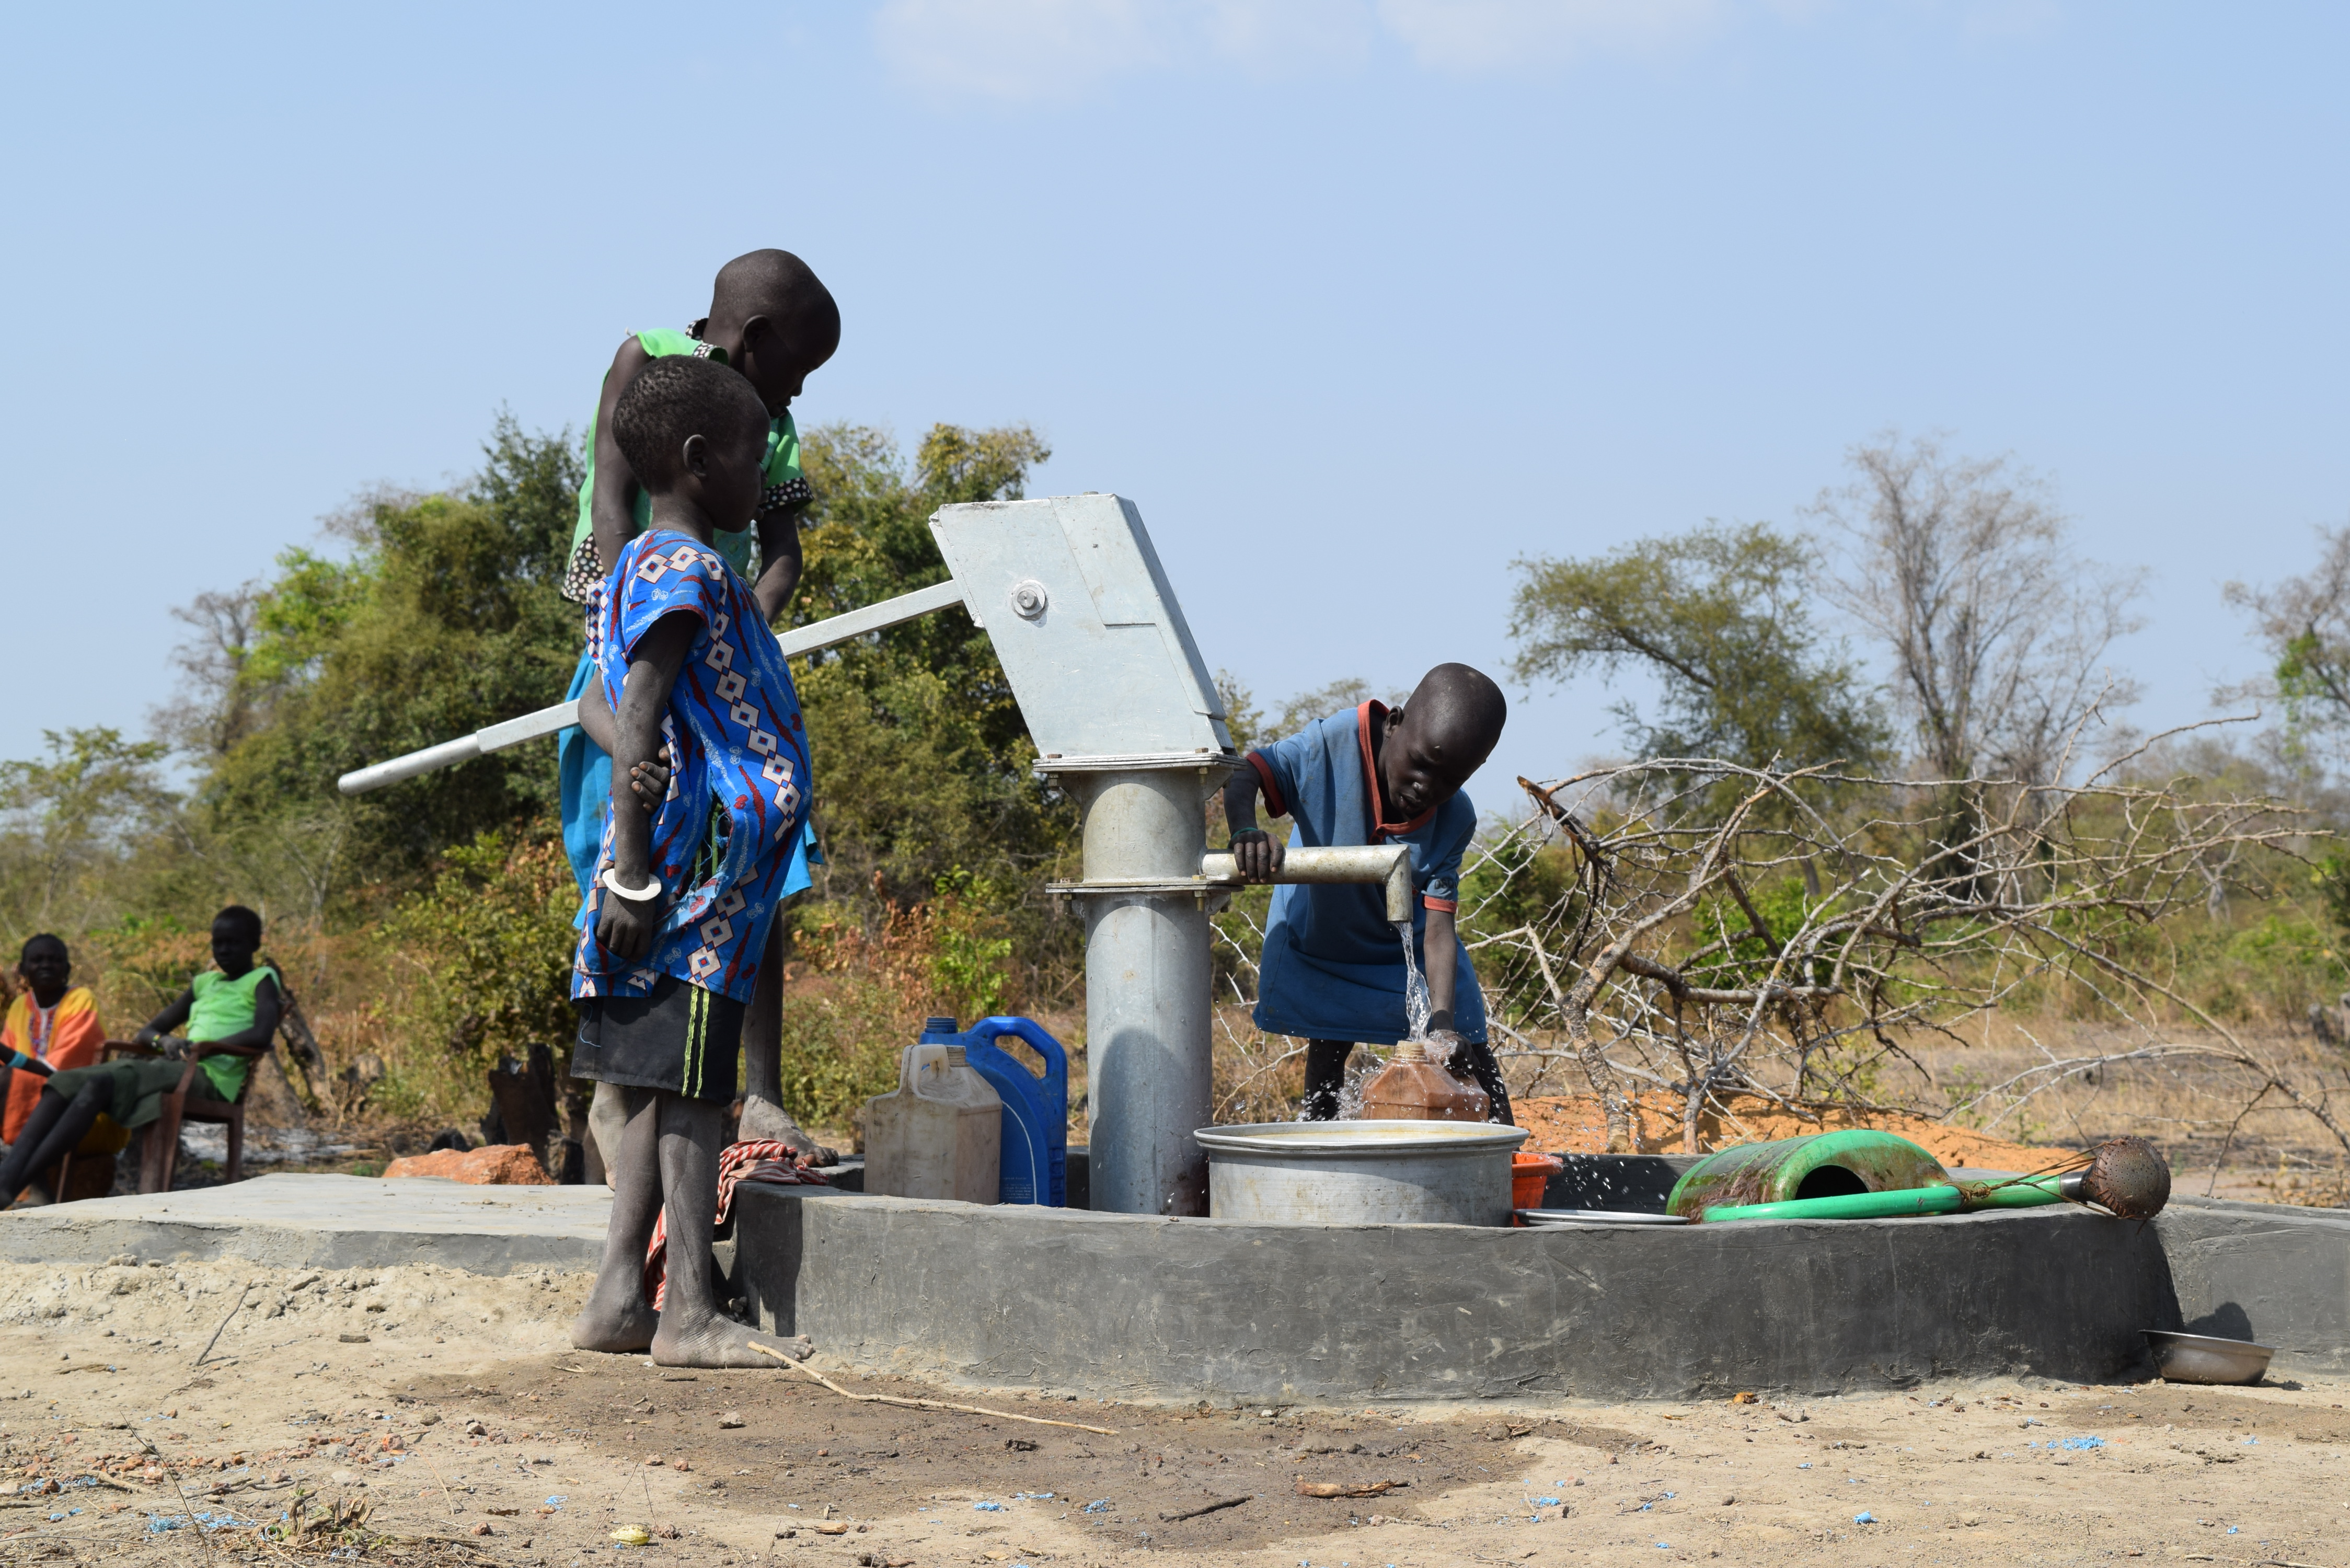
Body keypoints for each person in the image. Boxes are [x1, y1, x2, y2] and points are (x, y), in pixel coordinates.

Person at [559, 248, 839, 1163]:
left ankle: (756, 1097)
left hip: (712, 652)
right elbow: (612, 501)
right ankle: (628, 1103)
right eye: (795, 371)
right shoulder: (647, 363)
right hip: (634, 633)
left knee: (761, 871)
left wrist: (730, 644)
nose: (794, 398)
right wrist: (646, 624)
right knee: (635, 857)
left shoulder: (772, 432)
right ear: (755, 340)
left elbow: (782, 554)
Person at [568, 354, 814, 1368]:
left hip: (689, 882)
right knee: (697, 1098)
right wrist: (632, 872)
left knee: (656, 1083)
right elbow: (634, 721)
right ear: (703, 461)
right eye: (758, 454)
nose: (767, 471)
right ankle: (689, 1315)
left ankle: (621, 1298)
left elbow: (612, 701)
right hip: (695, 893)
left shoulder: (647, 566)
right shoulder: (681, 569)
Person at [1225, 664, 1513, 1123]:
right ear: (1393, 724)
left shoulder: (1455, 818)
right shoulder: (1333, 746)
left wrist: (1441, 1025)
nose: (1427, 787)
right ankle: (1322, 1173)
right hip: (1324, 944)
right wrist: (1246, 830)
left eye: (1449, 781)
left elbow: (1439, 928)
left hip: (1409, 956)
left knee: (1471, 1060)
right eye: (1422, 764)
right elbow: (1250, 771)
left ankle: (1506, 1170)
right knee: (1327, 1068)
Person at [0, 907, 279, 1207]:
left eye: (234, 942)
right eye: (218, 942)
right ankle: (8, 1183)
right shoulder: (204, 983)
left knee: (119, 1073)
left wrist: (203, 1047)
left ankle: (9, 1183)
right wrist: (167, 1041)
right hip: (178, 1067)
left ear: (255, 944)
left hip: (212, 1077)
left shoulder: (263, 979)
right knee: (77, 1083)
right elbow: (149, 1032)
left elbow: (262, 1034)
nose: (224, 949)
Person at [1, 935, 106, 1146]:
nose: (46, 965)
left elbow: (58, 1071)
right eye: (37, 960)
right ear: (22, 970)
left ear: (67, 969)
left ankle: (18, 1170)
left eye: (55, 960)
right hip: (21, 1096)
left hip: (75, 1099)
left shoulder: (81, 999)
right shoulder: (20, 1006)